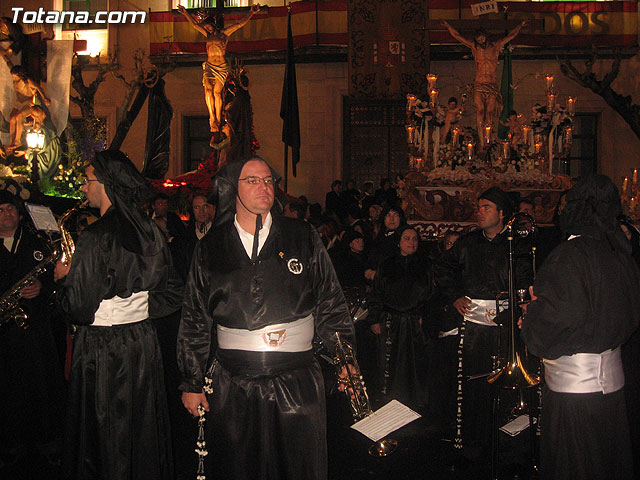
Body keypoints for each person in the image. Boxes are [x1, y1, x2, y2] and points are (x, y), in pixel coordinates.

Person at [177, 155, 355, 480]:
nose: (264, 187)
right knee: (238, 467)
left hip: (297, 378)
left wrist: (344, 356)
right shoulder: (211, 247)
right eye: (253, 181)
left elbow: (330, 299)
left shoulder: (302, 236)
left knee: (298, 467)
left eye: (269, 180)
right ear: (233, 189)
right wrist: (192, 380)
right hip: (233, 381)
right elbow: (195, 316)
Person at [54, 150, 183, 480]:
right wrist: (135, 309)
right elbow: (172, 291)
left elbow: (79, 308)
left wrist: (63, 280)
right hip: (141, 341)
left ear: (106, 184)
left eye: (87, 180)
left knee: (106, 430)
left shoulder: (95, 236)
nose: (84, 188)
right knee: (140, 426)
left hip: (103, 348)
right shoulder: (152, 232)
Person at [521, 175, 640, 480]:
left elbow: (558, 322)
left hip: (575, 396)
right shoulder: (619, 252)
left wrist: (533, 314)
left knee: (575, 465)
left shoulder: (570, 255)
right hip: (612, 390)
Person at [436, 186, 532, 450]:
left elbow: (527, 280)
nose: (479, 212)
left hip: (506, 326)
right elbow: (443, 269)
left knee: (506, 387)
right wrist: (455, 296)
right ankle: (471, 442)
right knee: (472, 383)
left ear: (502, 214)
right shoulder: (467, 243)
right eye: (478, 207)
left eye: (486, 207)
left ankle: (507, 444)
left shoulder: (517, 245)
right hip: (474, 327)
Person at [0, 189, 65, 468]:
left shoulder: (36, 243)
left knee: (41, 386)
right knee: (7, 390)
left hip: (35, 331)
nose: (7, 213)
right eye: (1, 209)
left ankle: (46, 442)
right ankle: (9, 444)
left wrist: (43, 288)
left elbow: (57, 280)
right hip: (4, 335)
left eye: (11, 209)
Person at [368, 225, 434, 408]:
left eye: (414, 239)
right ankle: (388, 401)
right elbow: (376, 292)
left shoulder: (425, 265)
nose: (411, 242)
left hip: (414, 321)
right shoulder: (387, 264)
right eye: (407, 238)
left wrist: (424, 316)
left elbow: (431, 294)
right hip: (391, 320)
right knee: (389, 364)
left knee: (415, 364)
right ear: (399, 242)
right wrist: (374, 319)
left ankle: (416, 403)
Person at [177, 4, 259, 138]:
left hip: (220, 66)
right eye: (205, 27)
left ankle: (218, 120)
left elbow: (239, 24)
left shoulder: (224, 34)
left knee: (216, 92)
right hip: (209, 65)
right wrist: (185, 13)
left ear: (212, 24)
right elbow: (195, 26)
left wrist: (251, 13)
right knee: (208, 90)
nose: (206, 28)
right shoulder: (207, 35)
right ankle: (212, 118)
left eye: (207, 26)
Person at [442, 20, 526, 143]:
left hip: (491, 84)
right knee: (480, 111)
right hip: (479, 83)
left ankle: (487, 139)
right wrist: (448, 26)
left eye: (481, 39)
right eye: (478, 40)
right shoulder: (474, 47)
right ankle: (482, 142)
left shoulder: (496, 46)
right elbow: (457, 36)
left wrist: (520, 25)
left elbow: (511, 36)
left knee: (490, 113)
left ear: (485, 37)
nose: (480, 42)